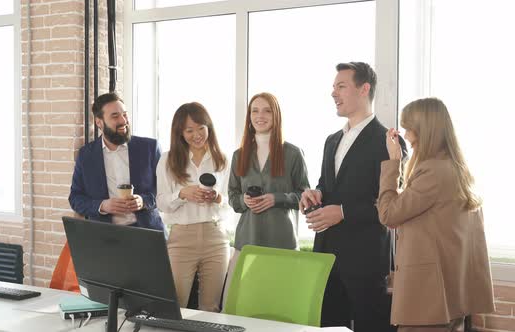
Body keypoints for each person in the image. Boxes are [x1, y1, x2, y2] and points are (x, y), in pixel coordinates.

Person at [300, 62, 407, 331]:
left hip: (366, 259)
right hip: (326, 255)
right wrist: (316, 194)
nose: (333, 93)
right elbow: (327, 184)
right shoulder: (331, 140)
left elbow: (392, 205)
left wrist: (344, 212)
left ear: (364, 89)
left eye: (341, 86)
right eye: (333, 87)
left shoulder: (389, 141)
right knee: (327, 327)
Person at [377, 97, 494, 331]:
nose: (406, 137)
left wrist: (393, 162)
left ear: (425, 131)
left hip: (427, 302)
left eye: (409, 129)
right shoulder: (458, 170)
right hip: (453, 298)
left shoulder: (432, 171)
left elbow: (388, 214)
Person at [224, 92, 310, 303]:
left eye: (266, 110)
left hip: (281, 242)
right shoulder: (239, 155)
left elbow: (305, 196)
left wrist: (277, 198)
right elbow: (233, 197)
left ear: (276, 115)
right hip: (247, 242)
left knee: (280, 305)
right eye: (255, 110)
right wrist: (244, 200)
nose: (259, 115)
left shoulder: (293, 154)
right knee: (243, 306)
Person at [156, 102, 230, 312]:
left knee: (211, 308)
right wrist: (182, 193)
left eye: (201, 128)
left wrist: (217, 198)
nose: (196, 134)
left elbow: (230, 203)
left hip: (216, 237)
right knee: (175, 306)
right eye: (189, 130)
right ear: (180, 132)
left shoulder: (222, 159)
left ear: (209, 127)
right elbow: (161, 203)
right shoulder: (168, 160)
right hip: (181, 239)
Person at [69, 92, 163, 231]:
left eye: (124, 114)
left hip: (147, 233)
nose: (123, 121)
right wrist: (102, 206)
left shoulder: (150, 148)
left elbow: (164, 191)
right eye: (115, 116)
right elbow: (75, 198)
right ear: (99, 122)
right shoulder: (86, 155)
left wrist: (143, 201)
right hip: (104, 237)